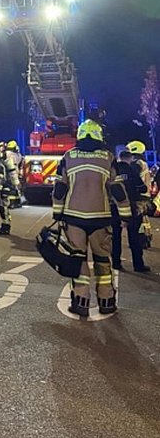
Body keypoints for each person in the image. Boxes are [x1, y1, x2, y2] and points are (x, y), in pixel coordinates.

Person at [52, 119, 132, 316]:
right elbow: (117, 190)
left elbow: (60, 189)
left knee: (78, 260)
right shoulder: (107, 157)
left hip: (74, 219)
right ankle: (106, 302)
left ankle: (81, 303)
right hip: (101, 219)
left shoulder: (68, 156)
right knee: (102, 260)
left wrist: (57, 213)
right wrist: (125, 216)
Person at [111, 149, 150, 273]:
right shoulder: (132, 170)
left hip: (115, 208)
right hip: (132, 208)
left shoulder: (113, 170)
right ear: (130, 158)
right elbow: (142, 188)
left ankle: (116, 263)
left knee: (115, 237)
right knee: (134, 238)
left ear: (119, 157)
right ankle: (138, 265)